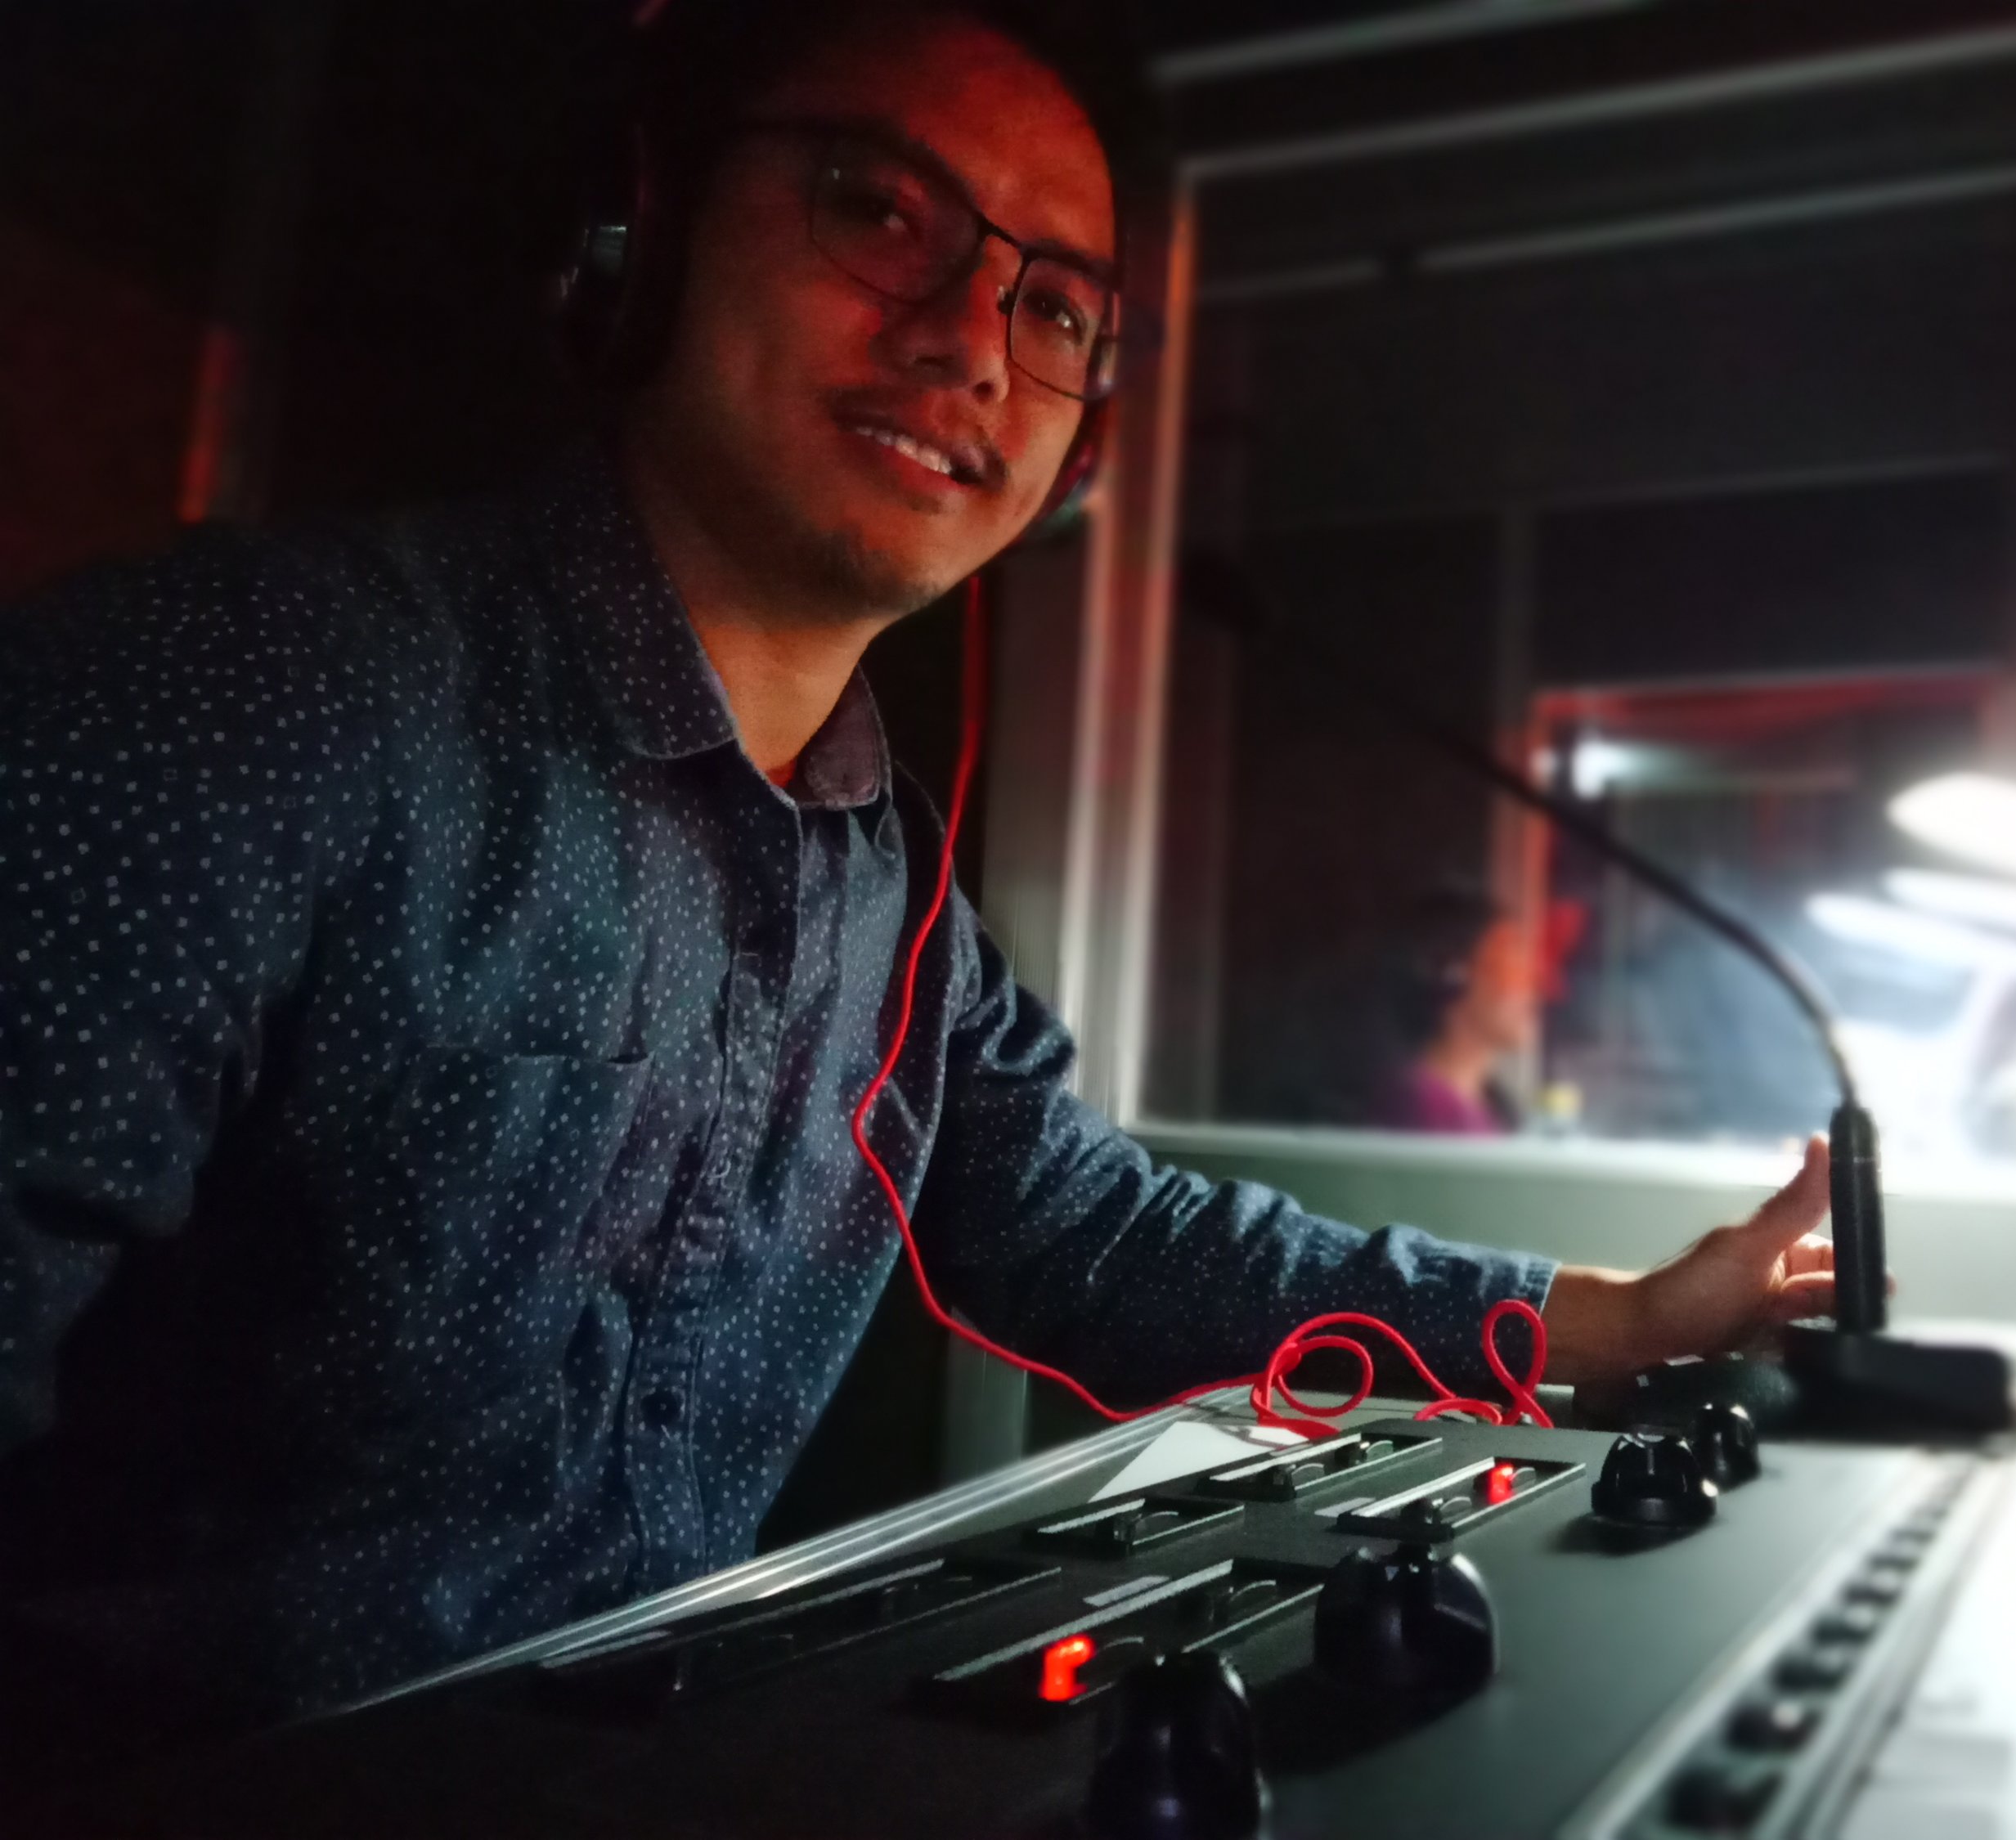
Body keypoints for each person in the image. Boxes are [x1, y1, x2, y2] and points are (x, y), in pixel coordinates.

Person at [0, 0, 1843, 1763]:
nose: (971, 343)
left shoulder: (888, 899)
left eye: (1055, 307)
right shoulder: (239, 691)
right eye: (882, 211)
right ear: (641, 225)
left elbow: (1101, 1237)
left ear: (1080, 448)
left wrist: (1625, 1320)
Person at [1367, 891, 1535, 1136]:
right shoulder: (1424, 1113)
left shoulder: (1487, 1108)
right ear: (1451, 978)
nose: (1531, 989)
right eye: (1512, 968)